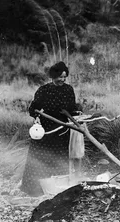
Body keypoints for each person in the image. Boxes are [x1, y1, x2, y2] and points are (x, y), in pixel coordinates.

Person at [20, 61, 80, 197]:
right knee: (40, 157)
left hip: (62, 131)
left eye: (65, 77)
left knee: (58, 159)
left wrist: (77, 115)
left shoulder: (68, 90)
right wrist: (37, 116)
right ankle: (35, 189)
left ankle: (56, 190)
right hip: (46, 131)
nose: (62, 80)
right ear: (53, 76)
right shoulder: (44, 90)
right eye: (60, 77)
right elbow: (33, 109)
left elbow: (72, 109)